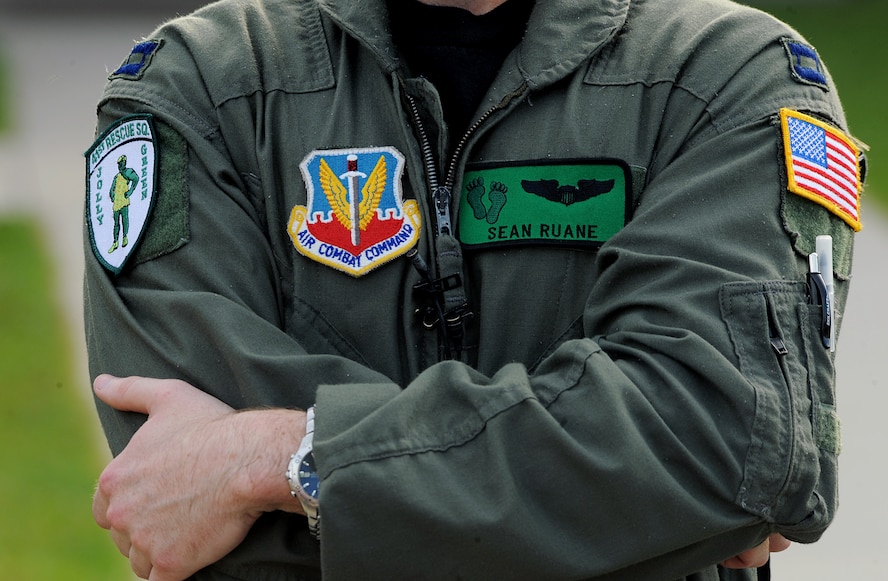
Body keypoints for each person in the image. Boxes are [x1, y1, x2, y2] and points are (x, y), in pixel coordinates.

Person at [83, 0, 864, 579]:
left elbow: (723, 442)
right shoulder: (197, 91)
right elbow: (190, 505)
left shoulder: (733, 79)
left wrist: (277, 459)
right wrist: (639, 515)